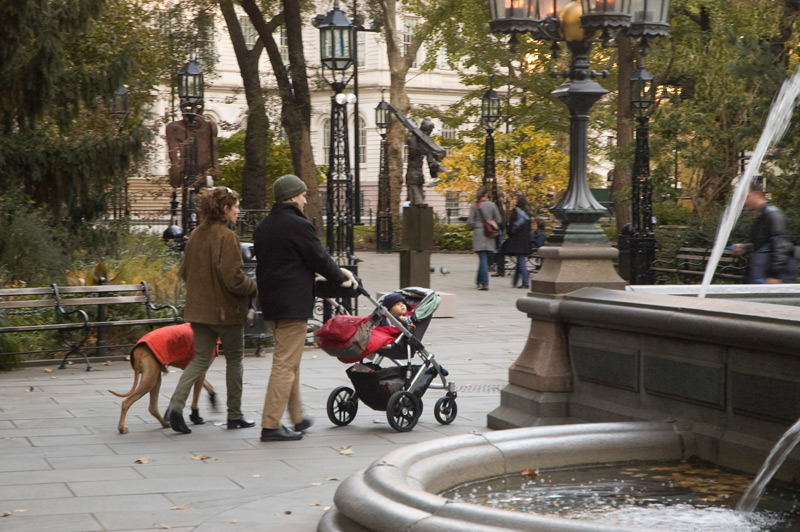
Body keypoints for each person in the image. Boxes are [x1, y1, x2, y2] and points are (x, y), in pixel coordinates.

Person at [253, 174, 358, 442]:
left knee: (290, 362)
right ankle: (271, 424)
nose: (305, 199)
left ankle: (297, 416)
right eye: (302, 194)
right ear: (291, 196)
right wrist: (341, 277)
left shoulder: (263, 227)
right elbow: (319, 258)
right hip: (292, 305)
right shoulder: (298, 225)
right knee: (285, 365)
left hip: (272, 304)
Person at [167, 187, 257, 434]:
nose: (238, 210)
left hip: (198, 312)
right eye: (235, 206)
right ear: (225, 209)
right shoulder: (227, 237)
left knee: (200, 359)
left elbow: (184, 272)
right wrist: (254, 287)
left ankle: (175, 407)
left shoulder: (196, 234)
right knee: (235, 360)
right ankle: (234, 415)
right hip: (226, 313)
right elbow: (234, 280)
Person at [732, 180, 797, 283]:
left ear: (757, 194)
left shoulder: (773, 215)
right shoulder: (761, 215)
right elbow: (767, 244)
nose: (744, 202)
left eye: (746, 196)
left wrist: (774, 275)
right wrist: (746, 248)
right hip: (763, 272)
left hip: (771, 276)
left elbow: (782, 245)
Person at [467, 185, 503, 291]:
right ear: (486, 195)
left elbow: (470, 222)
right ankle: (479, 280)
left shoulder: (474, 205)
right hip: (489, 234)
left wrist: (475, 226)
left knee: (482, 258)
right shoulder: (492, 205)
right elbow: (499, 220)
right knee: (484, 258)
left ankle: (484, 283)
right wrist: (491, 222)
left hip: (478, 234)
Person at [405, 119, 443, 206]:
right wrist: (420, 142)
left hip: (419, 172)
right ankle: (416, 205)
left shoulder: (427, 144)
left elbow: (430, 161)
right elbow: (413, 154)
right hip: (412, 171)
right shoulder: (412, 140)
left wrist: (436, 165)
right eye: (428, 131)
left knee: (419, 191)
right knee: (417, 198)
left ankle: (417, 205)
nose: (429, 133)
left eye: (430, 131)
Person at [502, 193, 533, 289]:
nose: (513, 201)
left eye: (515, 199)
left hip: (518, 239)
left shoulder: (516, 211)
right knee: (520, 259)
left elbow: (513, 227)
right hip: (525, 239)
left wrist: (510, 232)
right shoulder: (527, 212)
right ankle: (515, 281)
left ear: (519, 201)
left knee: (521, 260)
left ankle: (525, 282)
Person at [491, 190, 507, 278]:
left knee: (499, 247)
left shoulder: (500, 205)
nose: (503, 199)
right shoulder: (496, 206)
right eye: (502, 197)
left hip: (500, 229)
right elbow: (498, 218)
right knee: (498, 247)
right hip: (497, 229)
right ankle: (496, 263)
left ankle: (498, 264)